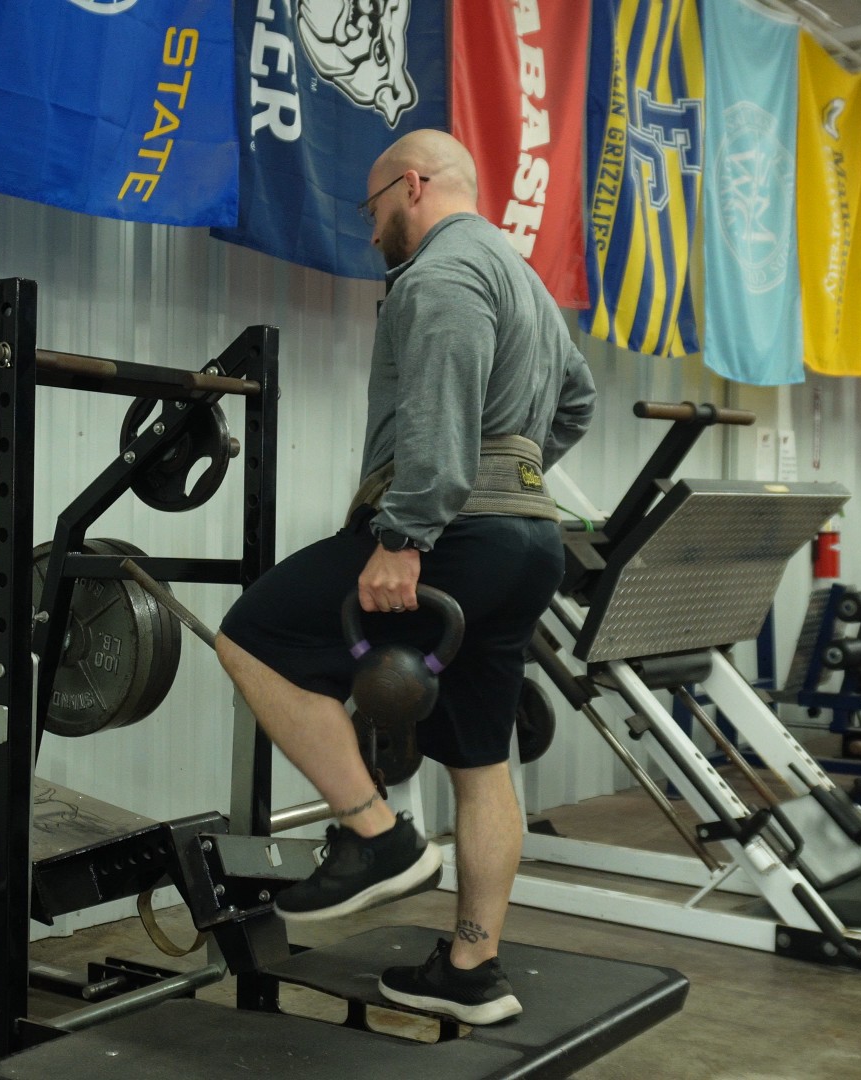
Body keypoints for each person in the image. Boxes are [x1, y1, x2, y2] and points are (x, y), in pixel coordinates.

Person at [215, 129, 596, 1026]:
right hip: (526, 540)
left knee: (254, 637)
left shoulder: (441, 274)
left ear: (413, 185)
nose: (373, 224)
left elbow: (436, 406)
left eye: (374, 205)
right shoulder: (524, 278)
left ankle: (374, 837)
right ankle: (471, 970)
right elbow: (576, 398)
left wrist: (405, 534)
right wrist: (517, 474)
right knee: (480, 759)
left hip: (453, 533)